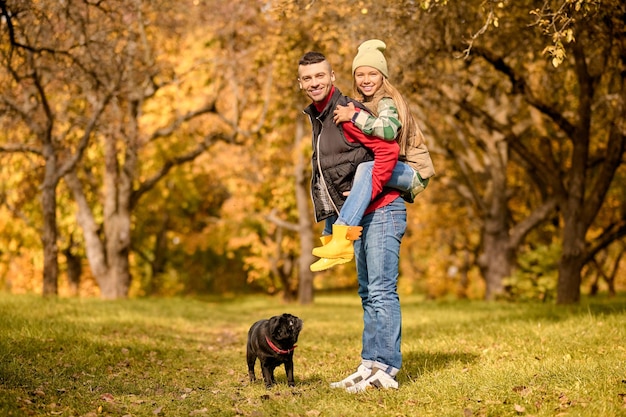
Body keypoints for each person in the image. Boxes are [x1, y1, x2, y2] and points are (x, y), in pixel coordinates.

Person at [298, 49, 406, 392]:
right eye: (308, 78)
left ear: (332, 77)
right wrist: (333, 224)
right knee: (366, 292)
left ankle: (386, 369)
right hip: (358, 216)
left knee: (381, 290)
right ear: (300, 83)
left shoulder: (349, 113)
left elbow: (387, 152)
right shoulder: (319, 118)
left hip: (383, 209)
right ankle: (369, 364)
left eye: (320, 76)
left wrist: (368, 193)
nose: (315, 82)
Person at [310, 39, 435, 272]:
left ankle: (342, 236)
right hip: (396, 169)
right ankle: (331, 240)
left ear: (382, 77)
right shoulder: (364, 102)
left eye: (372, 74)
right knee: (335, 178)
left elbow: (388, 131)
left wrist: (353, 116)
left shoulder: (386, 101)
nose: (366, 80)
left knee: (366, 170)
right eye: (360, 74)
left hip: (414, 172)